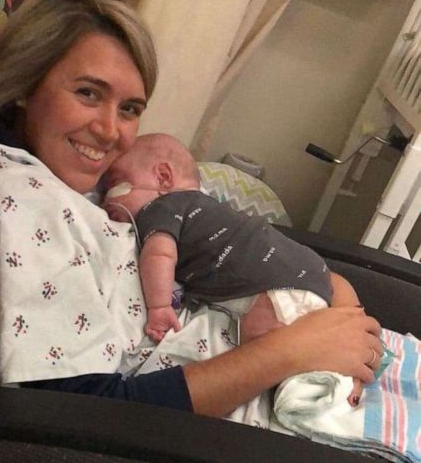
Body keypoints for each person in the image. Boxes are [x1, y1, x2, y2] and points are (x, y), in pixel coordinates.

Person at [0, 0, 382, 420]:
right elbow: (77, 415)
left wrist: (332, 294)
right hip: (215, 431)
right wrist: (293, 349)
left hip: (273, 350)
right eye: (88, 93)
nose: (110, 131)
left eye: (129, 109)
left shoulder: (87, 185)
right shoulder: (19, 198)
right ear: (26, 84)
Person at [102, 133, 367, 405]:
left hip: (275, 288)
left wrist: (159, 308)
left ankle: (338, 390)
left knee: (261, 348)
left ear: (163, 177)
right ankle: (347, 379)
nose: (105, 202)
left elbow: (159, 253)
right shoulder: (209, 206)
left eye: (115, 185)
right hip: (309, 272)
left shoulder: (161, 207)